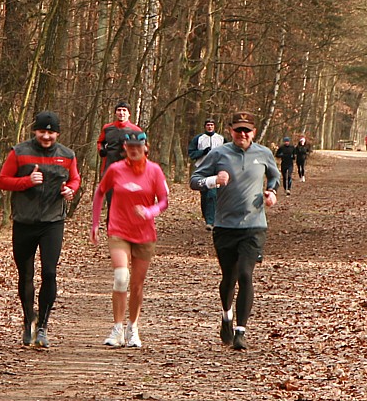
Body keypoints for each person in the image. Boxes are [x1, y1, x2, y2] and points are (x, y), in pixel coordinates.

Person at [190, 112, 280, 351]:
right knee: (229, 278)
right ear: (230, 131)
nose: (242, 134)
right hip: (224, 226)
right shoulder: (219, 154)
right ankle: (226, 316)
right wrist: (213, 180)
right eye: (238, 130)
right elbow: (194, 180)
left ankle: (241, 332)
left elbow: (274, 176)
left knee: (245, 274)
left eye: (246, 130)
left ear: (254, 132)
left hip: (254, 225)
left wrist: (271, 192)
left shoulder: (264, 153)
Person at [0, 110, 80, 348]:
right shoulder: (19, 152)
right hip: (24, 221)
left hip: (52, 222)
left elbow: (75, 179)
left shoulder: (67, 155)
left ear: (58, 134)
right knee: (25, 275)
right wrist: (26, 181)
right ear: (35, 131)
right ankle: (29, 322)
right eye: (42, 131)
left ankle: (43, 326)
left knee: (50, 273)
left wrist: (70, 190)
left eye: (51, 133)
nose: (46, 136)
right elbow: (3, 180)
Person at [91, 131, 169, 349]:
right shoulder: (115, 169)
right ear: (125, 148)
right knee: (121, 277)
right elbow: (100, 192)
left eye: (138, 146)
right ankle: (117, 328)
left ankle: (132, 327)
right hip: (119, 230)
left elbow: (164, 201)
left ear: (145, 148)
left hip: (144, 233)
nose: (134, 150)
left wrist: (149, 211)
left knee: (136, 285)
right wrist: (95, 223)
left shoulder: (154, 170)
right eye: (130, 146)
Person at [96, 100, 143, 227]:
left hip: (128, 172)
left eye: (124, 110)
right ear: (115, 113)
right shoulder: (107, 128)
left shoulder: (136, 130)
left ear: (129, 113)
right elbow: (100, 142)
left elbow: (143, 150)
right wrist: (101, 150)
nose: (121, 113)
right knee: (111, 201)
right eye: (119, 110)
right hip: (109, 170)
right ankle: (111, 228)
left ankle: (126, 226)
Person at [188, 118, 225, 229]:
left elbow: (228, 153)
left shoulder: (221, 139)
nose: (210, 127)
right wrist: (202, 152)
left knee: (212, 194)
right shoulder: (198, 139)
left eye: (212, 125)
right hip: (202, 169)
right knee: (205, 195)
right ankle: (207, 216)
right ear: (205, 126)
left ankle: (211, 221)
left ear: (214, 126)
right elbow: (191, 153)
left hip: (216, 169)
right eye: (208, 125)